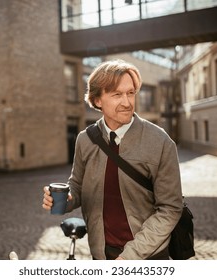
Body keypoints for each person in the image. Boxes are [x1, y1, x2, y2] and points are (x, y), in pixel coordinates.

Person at [42, 59, 183, 260]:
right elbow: (77, 186)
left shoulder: (160, 142)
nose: (127, 102)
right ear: (98, 100)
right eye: (117, 94)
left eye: (131, 93)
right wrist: (65, 200)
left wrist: (129, 257)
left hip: (148, 257)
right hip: (101, 254)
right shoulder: (85, 139)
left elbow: (170, 208)